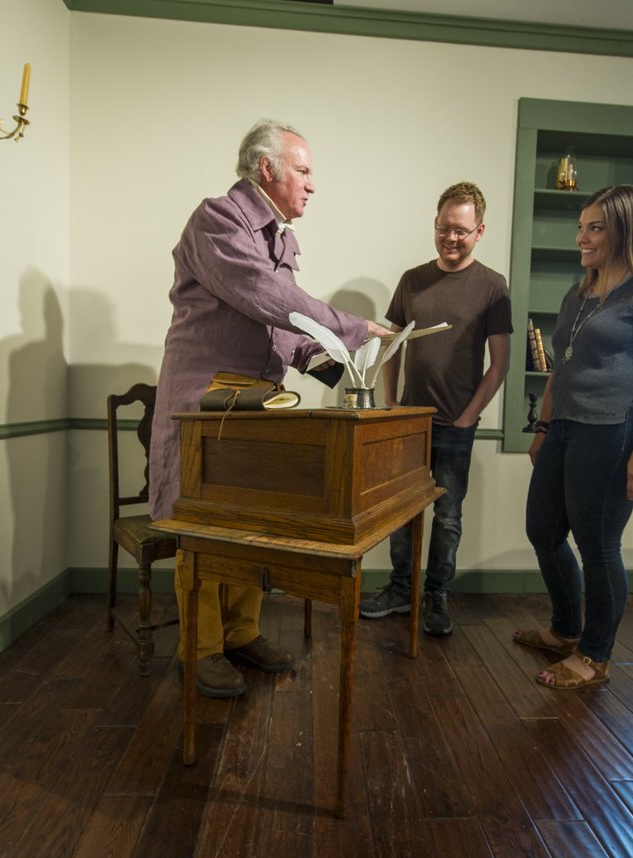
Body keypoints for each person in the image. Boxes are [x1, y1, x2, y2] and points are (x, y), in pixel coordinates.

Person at [149, 119, 392, 698]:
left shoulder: (278, 237)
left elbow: (278, 325)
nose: (312, 185)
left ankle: (239, 633)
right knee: (204, 525)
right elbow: (267, 296)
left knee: (249, 522)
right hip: (204, 402)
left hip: (254, 401)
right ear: (268, 169)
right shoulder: (218, 218)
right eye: (304, 171)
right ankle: (201, 647)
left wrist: (327, 358)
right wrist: (352, 327)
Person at [513, 184, 633, 690]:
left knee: (598, 546)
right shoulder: (581, 290)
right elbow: (560, 368)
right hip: (566, 427)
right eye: (581, 227)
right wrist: (544, 426)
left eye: (595, 228)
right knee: (543, 532)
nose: (581, 238)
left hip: (614, 432)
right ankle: (566, 631)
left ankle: (594, 656)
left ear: (625, 230)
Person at [358, 182, 513, 636]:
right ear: (435, 224)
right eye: (444, 228)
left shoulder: (492, 286)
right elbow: (392, 344)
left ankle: (436, 595)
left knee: (447, 517)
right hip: (408, 423)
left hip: (455, 426)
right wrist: (392, 402)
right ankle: (401, 588)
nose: (451, 238)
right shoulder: (412, 280)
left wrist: (467, 418)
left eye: (461, 231)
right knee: (401, 512)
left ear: (479, 231)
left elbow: (499, 364)